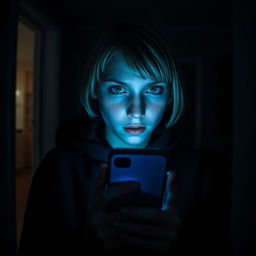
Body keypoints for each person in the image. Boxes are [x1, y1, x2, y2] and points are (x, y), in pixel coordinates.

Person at [18, 20, 230, 256]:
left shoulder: (196, 170)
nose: (137, 110)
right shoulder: (59, 167)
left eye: (153, 89)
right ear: (95, 90)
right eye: (118, 89)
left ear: (170, 95)